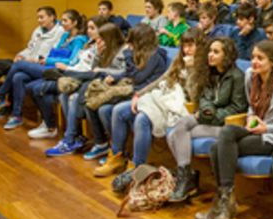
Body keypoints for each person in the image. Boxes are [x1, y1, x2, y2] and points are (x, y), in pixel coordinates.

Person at [195, 40, 273, 219]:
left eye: (260, 58)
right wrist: (250, 118)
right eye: (253, 57)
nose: (254, 62)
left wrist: (268, 128)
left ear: (272, 62)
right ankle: (225, 203)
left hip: (272, 138)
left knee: (217, 148)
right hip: (254, 130)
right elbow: (251, 106)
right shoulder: (251, 76)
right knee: (225, 135)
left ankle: (222, 205)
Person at [95, 29, 205, 176]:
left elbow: (194, 96)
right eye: (184, 46)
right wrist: (138, 95)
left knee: (142, 118)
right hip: (163, 97)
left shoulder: (204, 67)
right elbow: (161, 81)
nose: (187, 50)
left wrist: (191, 69)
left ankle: (137, 169)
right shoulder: (179, 61)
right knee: (119, 111)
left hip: (180, 107)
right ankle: (117, 157)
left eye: (191, 45)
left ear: (201, 46)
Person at [166, 37, 248, 201]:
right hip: (208, 116)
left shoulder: (237, 76)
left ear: (227, 55)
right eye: (210, 51)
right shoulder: (209, 73)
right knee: (178, 127)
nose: (210, 55)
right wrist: (206, 110)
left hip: (226, 125)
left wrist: (209, 115)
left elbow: (238, 108)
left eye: (216, 52)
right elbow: (204, 98)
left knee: (179, 133)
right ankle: (186, 176)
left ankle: (187, 179)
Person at [0, 9, 84, 130]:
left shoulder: (79, 39)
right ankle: (16, 116)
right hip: (47, 65)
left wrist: (46, 60)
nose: (62, 22)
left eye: (65, 20)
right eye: (62, 20)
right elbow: (51, 52)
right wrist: (41, 58)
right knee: (18, 77)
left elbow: (72, 60)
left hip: (58, 70)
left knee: (18, 66)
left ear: (74, 23)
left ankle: (0, 96)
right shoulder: (64, 35)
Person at [83, 24, 168, 160]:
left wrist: (128, 55)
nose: (129, 43)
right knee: (104, 110)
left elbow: (137, 77)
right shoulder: (142, 53)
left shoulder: (155, 56)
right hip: (135, 91)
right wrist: (116, 77)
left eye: (132, 40)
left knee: (117, 110)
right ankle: (117, 151)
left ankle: (117, 154)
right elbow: (129, 74)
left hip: (147, 95)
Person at [45, 23, 127, 157]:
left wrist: (102, 70)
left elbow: (123, 71)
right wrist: (98, 55)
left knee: (77, 97)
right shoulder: (103, 48)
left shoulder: (122, 51)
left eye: (101, 39)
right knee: (64, 95)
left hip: (111, 84)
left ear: (110, 38)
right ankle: (76, 136)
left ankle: (72, 139)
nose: (98, 42)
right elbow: (94, 68)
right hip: (98, 81)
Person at [26, 16, 106, 139]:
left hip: (78, 77)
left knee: (43, 89)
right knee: (30, 83)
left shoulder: (97, 45)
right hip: (70, 72)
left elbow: (90, 70)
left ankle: (65, 133)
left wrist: (66, 68)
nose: (89, 31)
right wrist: (67, 68)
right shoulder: (87, 43)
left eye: (92, 28)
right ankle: (64, 132)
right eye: (88, 28)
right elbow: (75, 61)